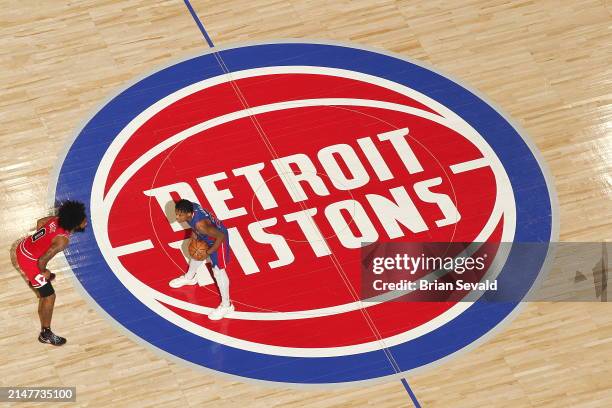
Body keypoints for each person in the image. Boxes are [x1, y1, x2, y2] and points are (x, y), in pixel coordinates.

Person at [14, 200, 87, 346]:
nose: (86, 220)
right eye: (83, 219)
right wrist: (43, 272)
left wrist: (41, 242)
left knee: (43, 282)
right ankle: (45, 334)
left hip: (24, 247)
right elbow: (41, 261)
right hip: (29, 260)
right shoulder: (62, 241)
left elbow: (41, 222)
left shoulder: (56, 220)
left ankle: (35, 281)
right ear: (75, 223)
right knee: (49, 296)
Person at [170, 199, 233, 320]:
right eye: (176, 213)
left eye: (180, 215)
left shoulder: (201, 225)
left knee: (218, 272)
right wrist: (195, 238)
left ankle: (227, 305)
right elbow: (194, 227)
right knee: (196, 253)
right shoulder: (191, 208)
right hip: (207, 234)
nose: (177, 217)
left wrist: (208, 252)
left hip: (218, 240)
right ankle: (190, 278)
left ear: (189, 214)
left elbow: (221, 236)